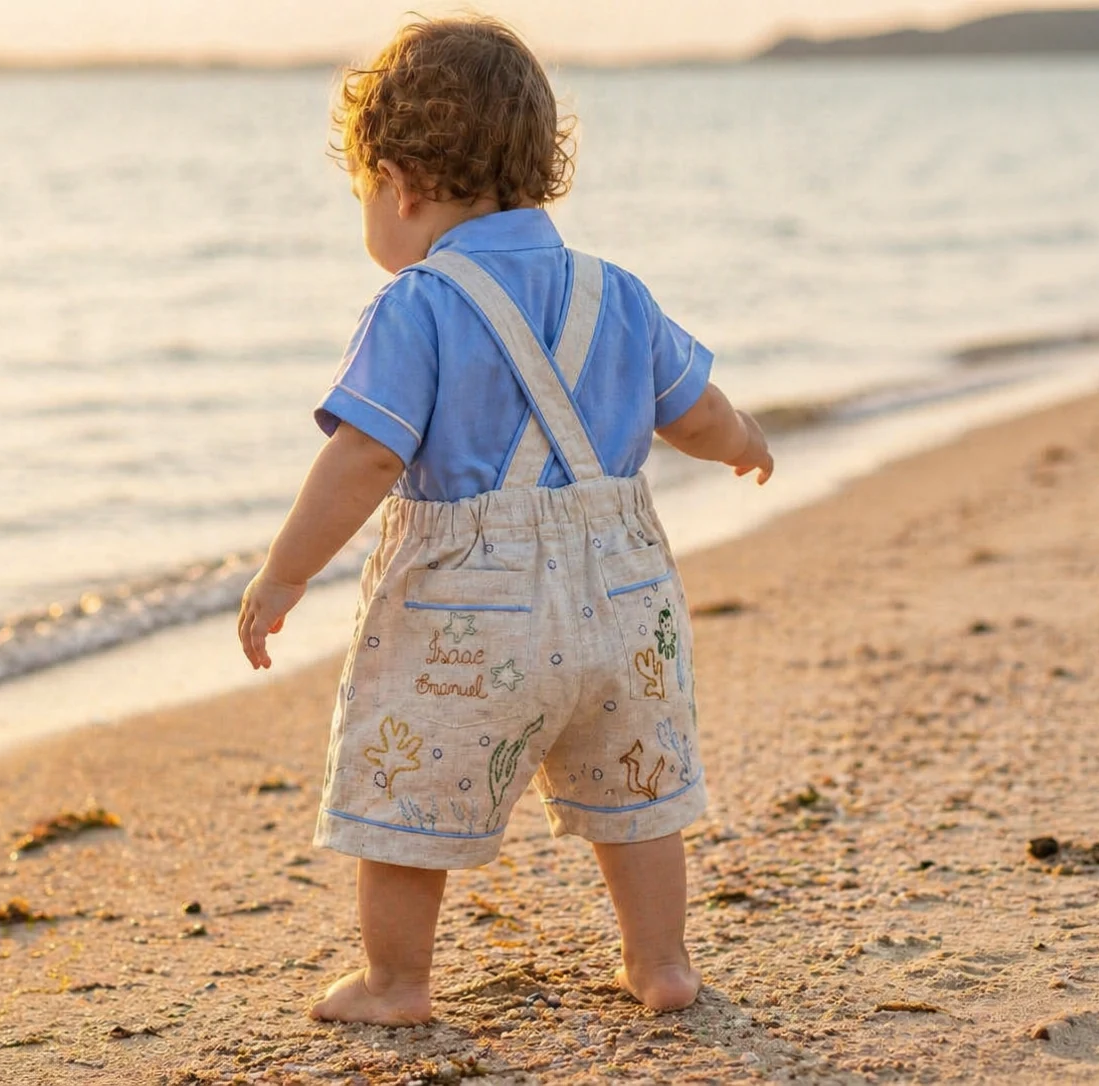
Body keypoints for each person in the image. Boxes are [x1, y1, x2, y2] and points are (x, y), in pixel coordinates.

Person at [237, 15, 773, 1027]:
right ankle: (660, 963)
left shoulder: (417, 305)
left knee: (410, 798)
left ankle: (396, 982)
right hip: (622, 600)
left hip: (467, 617)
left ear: (397, 183)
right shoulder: (614, 293)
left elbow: (364, 456)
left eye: (363, 196)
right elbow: (695, 413)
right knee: (636, 783)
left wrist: (283, 576)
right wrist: (745, 439)